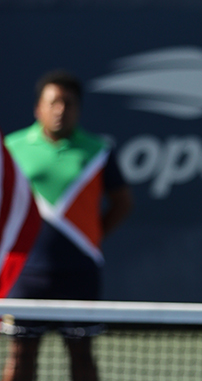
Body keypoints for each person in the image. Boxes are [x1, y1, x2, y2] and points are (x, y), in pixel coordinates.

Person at [2, 70, 133, 381]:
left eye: (69, 103)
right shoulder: (11, 147)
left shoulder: (99, 150)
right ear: (39, 108)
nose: (61, 110)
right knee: (21, 356)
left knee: (82, 356)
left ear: (79, 109)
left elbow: (123, 202)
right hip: (25, 275)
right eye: (54, 102)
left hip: (79, 274)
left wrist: (91, 237)